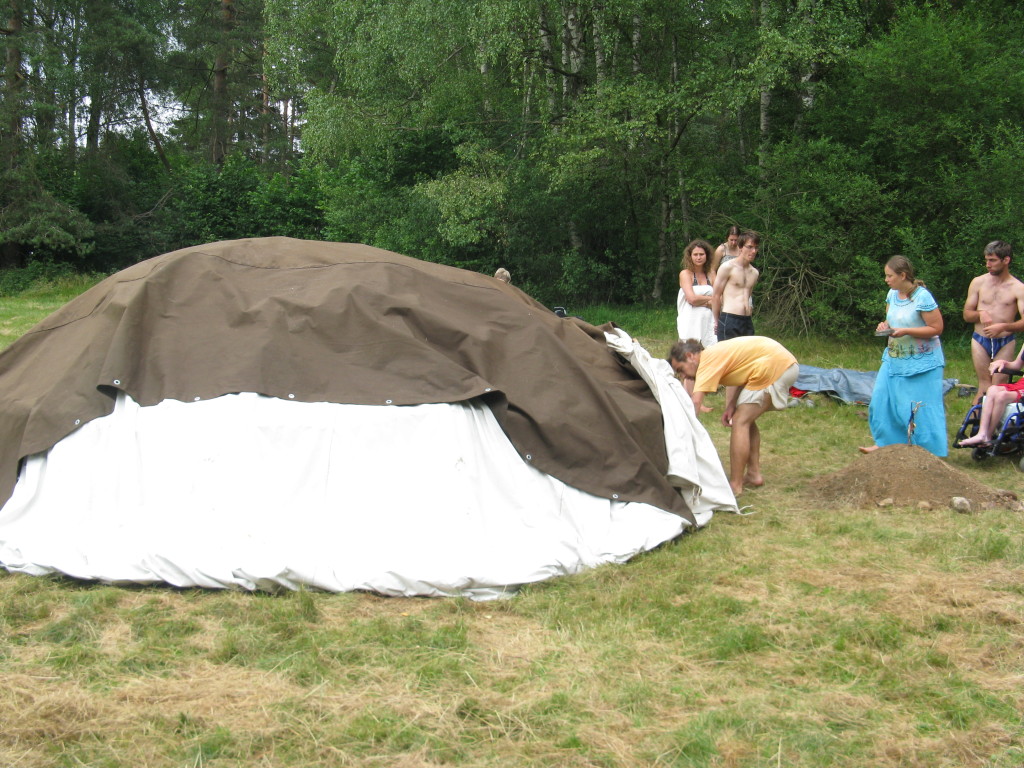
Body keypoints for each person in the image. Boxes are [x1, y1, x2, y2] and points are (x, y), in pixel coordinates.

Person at [669, 336, 798, 496]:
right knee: (745, 419)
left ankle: (735, 485)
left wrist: (682, 431)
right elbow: (744, 372)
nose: (683, 376)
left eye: (681, 369)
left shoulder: (706, 361)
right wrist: (731, 405)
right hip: (781, 363)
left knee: (740, 421)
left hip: (776, 365)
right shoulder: (713, 355)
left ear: (690, 356)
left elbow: (695, 403)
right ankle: (753, 474)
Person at [859, 255, 947, 457]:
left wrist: (907, 331)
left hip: (922, 363)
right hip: (894, 358)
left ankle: (928, 452)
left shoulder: (922, 297)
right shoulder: (892, 294)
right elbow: (891, 321)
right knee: (881, 401)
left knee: (918, 407)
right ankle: (886, 444)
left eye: (890, 276)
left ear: (903, 275)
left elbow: (936, 328)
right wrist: (885, 327)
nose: (886, 280)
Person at [962, 240, 1024, 402]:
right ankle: (976, 418)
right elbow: (967, 315)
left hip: (1005, 341)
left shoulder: (1018, 288)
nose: (988, 265)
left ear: (1006, 260)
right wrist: (980, 314)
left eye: (992, 260)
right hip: (980, 339)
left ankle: (996, 418)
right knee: (984, 387)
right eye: (986, 260)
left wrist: (1003, 326)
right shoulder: (978, 282)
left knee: (997, 387)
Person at [959, 350, 1024, 447]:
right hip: (1021, 384)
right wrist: (1003, 362)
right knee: (992, 389)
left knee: (1002, 396)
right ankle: (981, 433)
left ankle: (988, 435)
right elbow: (1017, 365)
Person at [712, 230, 759, 341]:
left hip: (747, 320)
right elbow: (716, 296)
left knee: (748, 352)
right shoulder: (727, 267)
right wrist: (716, 321)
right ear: (740, 247)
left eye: (756, 248)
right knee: (728, 352)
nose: (753, 251)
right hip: (730, 318)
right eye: (750, 247)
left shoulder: (754, 273)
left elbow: (747, 296)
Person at [676, 239, 716, 346]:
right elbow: (692, 299)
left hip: (709, 321)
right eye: (695, 254)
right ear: (690, 256)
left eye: (701, 254)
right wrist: (710, 299)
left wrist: (701, 300)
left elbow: (720, 299)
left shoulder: (711, 274)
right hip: (690, 321)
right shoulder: (685, 274)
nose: (698, 257)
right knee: (690, 352)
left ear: (707, 255)